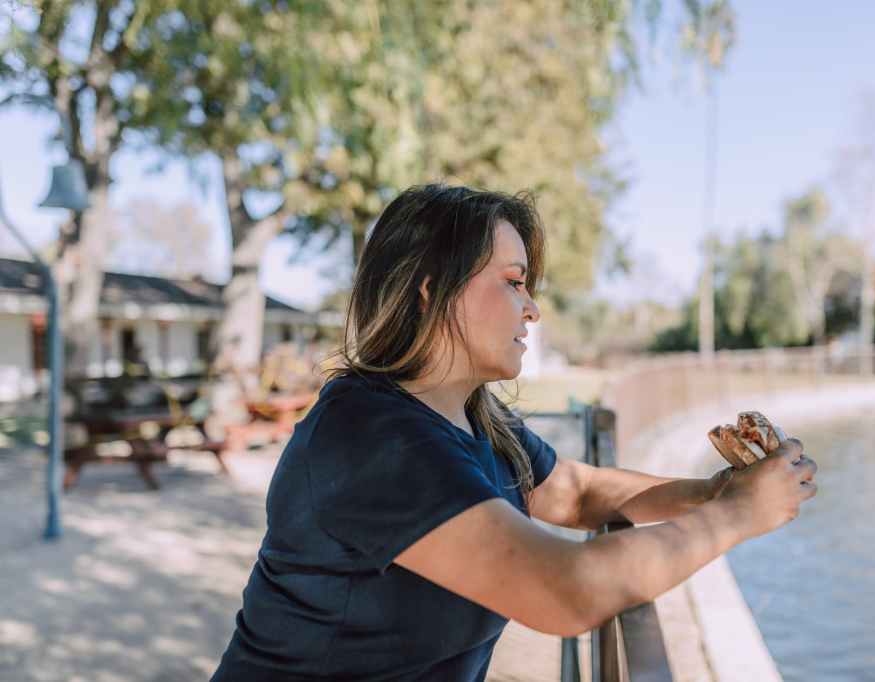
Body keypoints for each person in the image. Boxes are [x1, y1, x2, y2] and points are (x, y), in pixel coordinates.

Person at [209, 184, 818, 681]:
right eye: (512, 280)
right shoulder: (372, 437)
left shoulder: (475, 418)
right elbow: (564, 592)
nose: (532, 308)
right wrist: (737, 517)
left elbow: (574, 492)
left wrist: (711, 492)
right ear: (429, 290)